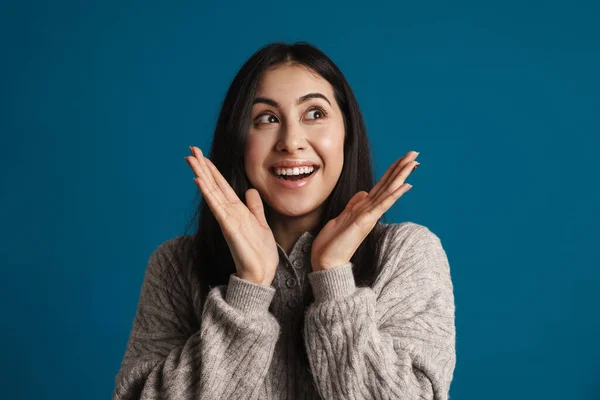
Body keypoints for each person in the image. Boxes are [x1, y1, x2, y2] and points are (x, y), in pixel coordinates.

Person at [112, 41, 456, 400]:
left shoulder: (405, 255)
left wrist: (334, 278)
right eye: (267, 119)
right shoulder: (175, 265)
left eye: (315, 114)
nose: (291, 142)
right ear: (238, 140)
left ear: (346, 133)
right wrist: (247, 290)